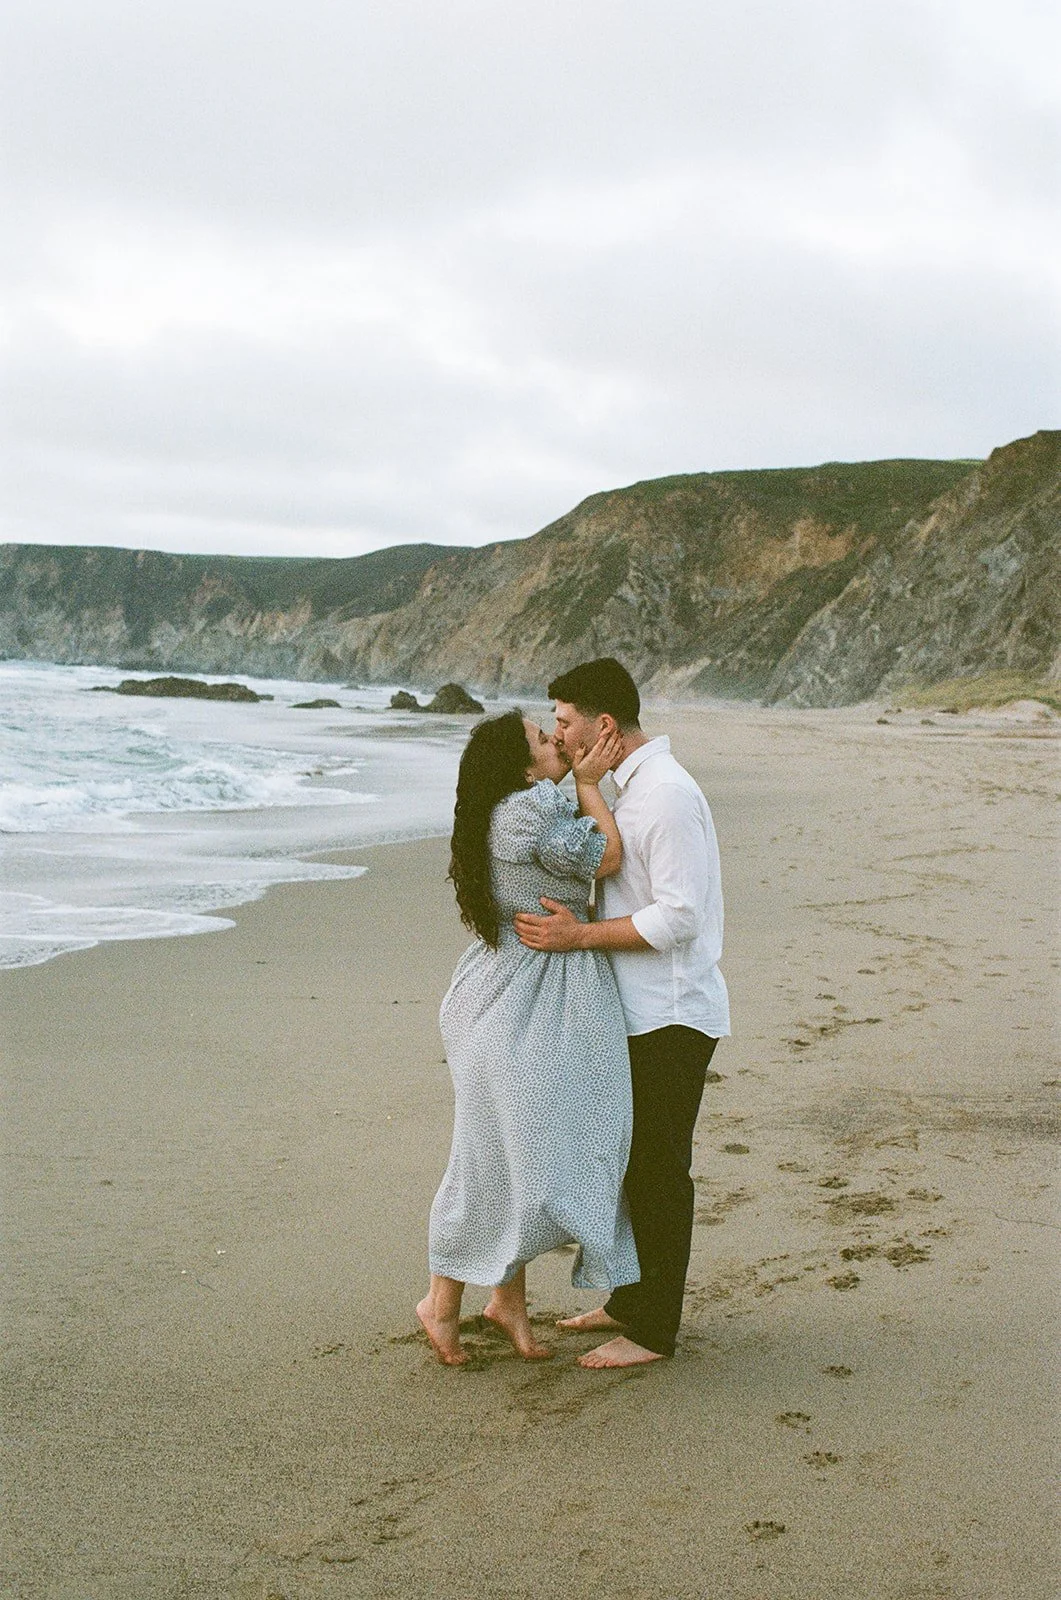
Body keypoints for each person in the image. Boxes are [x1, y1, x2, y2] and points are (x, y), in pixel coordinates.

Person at [515, 658, 729, 1368]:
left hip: (670, 1014)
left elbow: (678, 918)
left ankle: (653, 1330)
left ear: (603, 725)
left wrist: (576, 937)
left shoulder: (664, 795)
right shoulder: (624, 792)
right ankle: (628, 1300)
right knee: (627, 1167)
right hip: (632, 1012)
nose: (557, 732)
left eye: (565, 722)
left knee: (659, 1172)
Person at [418, 709, 640, 1366]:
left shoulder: (526, 805)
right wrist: (592, 784)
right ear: (523, 766)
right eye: (544, 740)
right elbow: (609, 856)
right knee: (497, 1159)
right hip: (520, 1000)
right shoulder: (524, 812)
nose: (557, 742)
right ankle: (438, 1301)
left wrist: (575, 784)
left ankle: (504, 1301)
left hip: (523, 990)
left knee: (507, 1157)